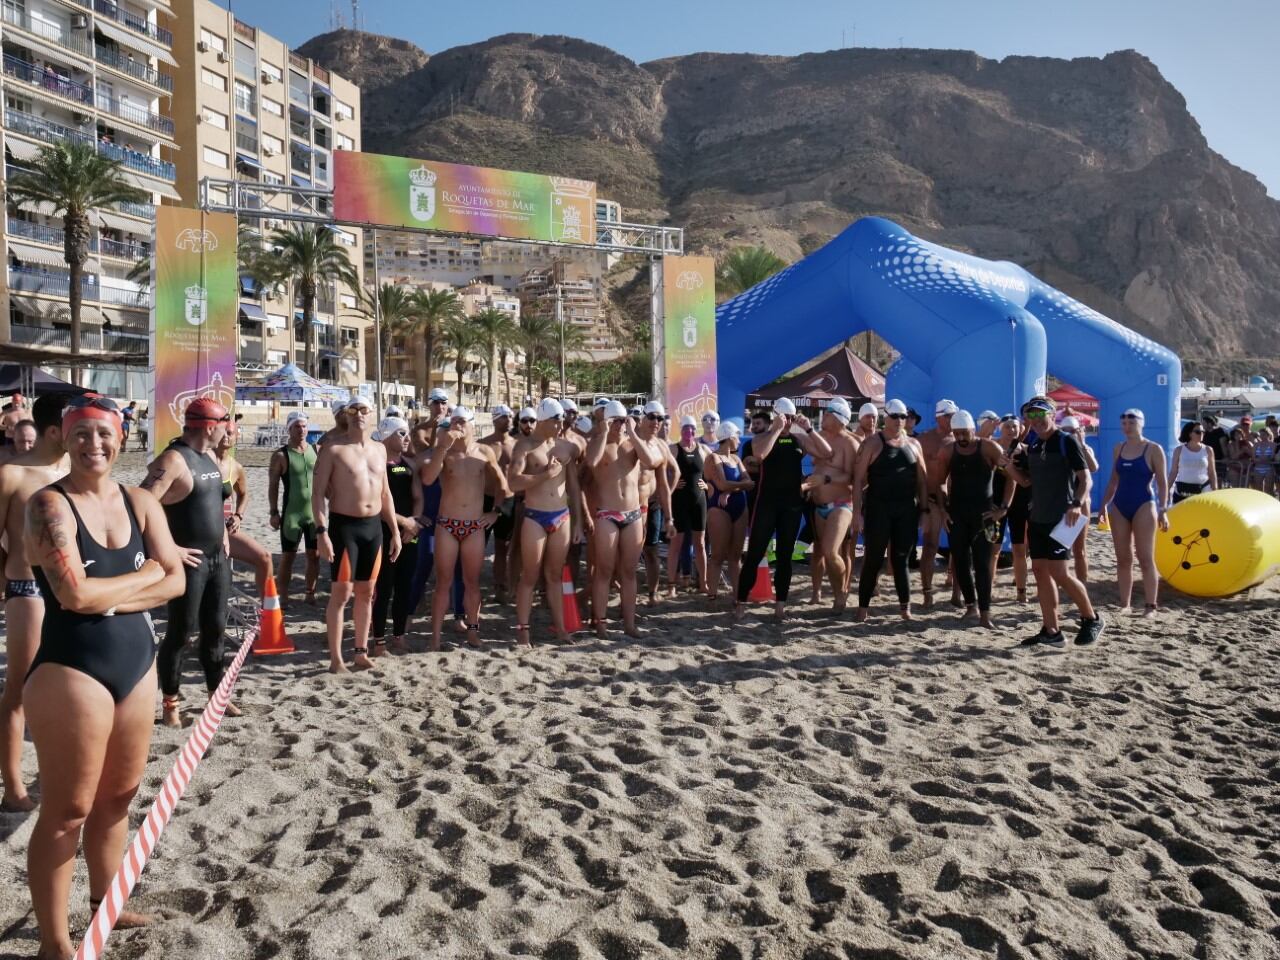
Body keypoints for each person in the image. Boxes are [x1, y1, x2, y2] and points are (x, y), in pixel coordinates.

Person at [23, 394, 184, 956]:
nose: (94, 443)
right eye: (82, 433)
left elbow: (176, 581)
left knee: (118, 798)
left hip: (136, 665)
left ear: (121, 438)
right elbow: (73, 596)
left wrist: (112, 597)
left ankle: (104, 906)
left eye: (104, 433)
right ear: (63, 439)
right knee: (67, 812)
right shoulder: (49, 505)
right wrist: (143, 577)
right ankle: (54, 942)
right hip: (71, 669)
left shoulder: (140, 502)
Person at [142, 398, 234, 728]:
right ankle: (171, 704)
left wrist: (224, 532)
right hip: (189, 563)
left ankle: (216, 696)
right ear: (209, 427)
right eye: (225, 421)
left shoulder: (209, 456)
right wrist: (169, 549)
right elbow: (140, 505)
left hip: (216, 560)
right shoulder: (174, 460)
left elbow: (213, 502)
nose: (228, 428)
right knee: (181, 633)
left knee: (216, 630)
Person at [0, 396, 69, 811]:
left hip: (73, 593)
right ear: (55, 429)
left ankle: (56, 775)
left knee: (65, 691)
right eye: (75, 423)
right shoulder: (12, 474)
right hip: (27, 589)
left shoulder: (74, 469)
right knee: (21, 690)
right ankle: (13, 788)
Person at [1005, 396, 1104, 648]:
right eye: (1031, 415)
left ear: (1052, 414)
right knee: (1040, 572)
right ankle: (1051, 631)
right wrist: (1009, 467)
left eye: (1041, 414)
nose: (1036, 419)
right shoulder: (1035, 444)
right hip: (1038, 517)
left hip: (1063, 517)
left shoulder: (1066, 440)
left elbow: (1087, 478)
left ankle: (1091, 618)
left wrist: (1076, 504)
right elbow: (1026, 481)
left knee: (1060, 572)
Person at [313, 397, 402, 673]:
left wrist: (395, 531)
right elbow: (317, 495)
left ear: (371, 413)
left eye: (363, 409)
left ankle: (360, 653)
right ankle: (336, 659)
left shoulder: (379, 449)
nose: (358, 414)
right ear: (345, 415)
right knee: (341, 594)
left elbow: (385, 494)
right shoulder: (333, 449)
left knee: (367, 592)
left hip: (373, 528)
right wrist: (321, 532)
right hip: (344, 527)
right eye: (352, 410)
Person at [734, 399, 832, 620]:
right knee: (755, 553)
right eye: (785, 417)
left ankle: (780, 606)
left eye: (791, 417)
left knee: (785, 556)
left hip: (791, 505)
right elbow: (760, 455)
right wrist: (776, 429)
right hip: (766, 504)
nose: (788, 421)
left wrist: (809, 428)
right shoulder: (760, 439)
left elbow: (827, 453)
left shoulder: (799, 439)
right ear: (776, 416)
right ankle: (741, 602)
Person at [419, 406, 507, 650]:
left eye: (462, 421)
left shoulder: (484, 451)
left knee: (472, 583)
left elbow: (503, 486)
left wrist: (496, 512)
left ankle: (473, 632)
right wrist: (442, 446)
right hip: (447, 524)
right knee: (443, 583)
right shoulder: (445, 452)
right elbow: (427, 478)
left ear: (472, 424)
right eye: (454, 421)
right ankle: (435, 637)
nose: (457, 426)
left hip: (474, 525)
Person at [507, 399, 584, 645]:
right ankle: (523, 631)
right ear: (543, 421)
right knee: (529, 576)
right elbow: (513, 482)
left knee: (554, 576)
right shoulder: (525, 447)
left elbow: (573, 486)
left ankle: (561, 629)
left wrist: (579, 522)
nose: (561, 425)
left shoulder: (565, 447)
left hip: (562, 516)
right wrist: (545, 475)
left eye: (562, 420)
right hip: (535, 516)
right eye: (556, 420)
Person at [584, 401, 664, 637]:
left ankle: (629, 624)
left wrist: (633, 432)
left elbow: (651, 461)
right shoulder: (599, 443)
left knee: (629, 572)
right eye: (615, 421)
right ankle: (601, 623)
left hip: (633, 513)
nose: (619, 425)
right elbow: (591, 462)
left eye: (622, 420)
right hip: (606, 514)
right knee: (604, 571)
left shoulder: (633, 444)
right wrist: (604, 432)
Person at [850, 399, 929, 621]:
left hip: (906, 509)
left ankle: (905, 609)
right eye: (895, 416)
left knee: (901, 559)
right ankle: (862, 609)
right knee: (873, 558)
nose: (899, 421)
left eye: (903, 417)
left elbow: (922, 481)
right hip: (879, 508)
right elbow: (858, 480)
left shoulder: (914, 444)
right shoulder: (872, 444)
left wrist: (924, 511)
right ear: (886, 417)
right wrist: (857, 513)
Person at [934, 410, 1004, 627]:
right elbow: (940, 482)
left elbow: (1010, 476)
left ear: (973, 430)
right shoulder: (947, 451)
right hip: (957, 515)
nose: (961, 438)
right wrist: (943, 510)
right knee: (961, 563)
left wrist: (1003, 508)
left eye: (965, 433)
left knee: (983, 563)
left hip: (984, 516)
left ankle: (985, 613)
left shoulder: (990, 448)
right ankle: (971, 607)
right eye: (957, 434)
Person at [1099, 408, 1168, 616]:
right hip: (1120, 505)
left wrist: (1163, 509)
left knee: (1145, 558)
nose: (1127, 426)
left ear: (1141, 423)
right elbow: (1113, 480)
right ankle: (1125, 604)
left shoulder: (1153, 449)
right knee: (1123, 558)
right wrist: (1103, 504)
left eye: (1132, 422)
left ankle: (1150, 606)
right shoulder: (1118, 448)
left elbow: (1163, 483)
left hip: (1144, 504)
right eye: (1124, 423)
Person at [802, 398, 859, 612]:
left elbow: (853, 478)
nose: (823, 416)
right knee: (821, 551)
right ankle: (833, 595)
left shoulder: (849, 443)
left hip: (841, 505)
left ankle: (842, 591)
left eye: (827, 414)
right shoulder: (820, 437)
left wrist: (826, 479)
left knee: (831, 552)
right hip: (819, 506)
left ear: (838, 419)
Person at [371, 417, 422, 655]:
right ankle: (379, 641)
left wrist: (414, 524)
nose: (407, 438)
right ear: (386, 436)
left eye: (408, 433)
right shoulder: (376, 465)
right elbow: (377, 503)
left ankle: (399, 636)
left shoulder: (408, 465)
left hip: (409, 534)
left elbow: (418, 497)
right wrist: (404, 523)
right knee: (383, 588)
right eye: (401, 433)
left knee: (405, 587)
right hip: (383, 532)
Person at [214, 420, 273, 595]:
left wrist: (238, 515)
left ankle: (267, 607)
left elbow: (244, 494)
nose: (226, 436)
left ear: (236, 437)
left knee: (265, 558)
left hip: (224, 529)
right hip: (200, 532)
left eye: (230, 433)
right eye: (223, 432)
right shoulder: (201, 460)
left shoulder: (236, 467)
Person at [268, 411, 319, 607]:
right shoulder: (281, 455)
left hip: (313, 514)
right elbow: (273, 485)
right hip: (292, 514)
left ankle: (310, 593)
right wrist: (274, 512)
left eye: (304, 426)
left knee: (314, 555)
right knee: (288, 557)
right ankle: (283, 596)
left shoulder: (316, 450)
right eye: (297, 426)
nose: (301, 430)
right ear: (289, 429)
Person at [704, 421, 752, 605]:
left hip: (739, 507)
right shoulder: (713, 458)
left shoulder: (736, 459)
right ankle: (712, 595)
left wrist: (730, 490)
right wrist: (734, 487)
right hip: (719, 509)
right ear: (730, 437)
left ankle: (738, 596)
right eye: (737, 436)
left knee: (735, 556)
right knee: (717, 555)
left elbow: (750, 483)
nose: (739, 440)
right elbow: (723, 484)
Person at [916, 399, 956, 605]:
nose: (952, 419)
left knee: (959, 548)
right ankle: (927, 592)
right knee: (930, 546)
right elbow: (917, 474)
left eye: (954, 415)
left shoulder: (961, 438)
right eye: (948, 415)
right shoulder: (924, 440)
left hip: (955, 500)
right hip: (931, 499)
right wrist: (921, 503)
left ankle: (957, 594)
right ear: (938, 417)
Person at [990, 414, 1032, 602]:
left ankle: (1021, 592)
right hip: (996, 505)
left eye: (1014, 426)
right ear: (1000, 428)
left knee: (1019, 549)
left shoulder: (1027, 451)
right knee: (994, 550)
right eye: (1007, 426)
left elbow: (1028, 481)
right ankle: (987, 590)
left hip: (1020, 506)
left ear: (1020, 429)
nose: (1011, 430)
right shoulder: (992, 448)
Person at [666, 415, 709, 597]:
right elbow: (660, 471)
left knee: (700, 543)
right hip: (679, 501)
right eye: (685, 428)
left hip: (699, 501)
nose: (688, 432)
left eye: (691, 428)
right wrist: (672, 483)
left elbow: (715, 469)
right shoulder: (673, 449)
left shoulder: (703, 449)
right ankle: (671, 586)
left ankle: (703, 583)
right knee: (676, 544)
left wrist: (708, 485)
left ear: (695, 430)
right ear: (681, 430)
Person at [637, 401, 675, 603]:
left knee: (652, 551)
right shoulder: (631, 442)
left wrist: (669, 518)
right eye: (652, 417)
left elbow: (664, 484)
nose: (656, 422)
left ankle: (652, 593)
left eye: (660, 418)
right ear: (643, 418)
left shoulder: (661, 446)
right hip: (631, 507)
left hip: (653, 505)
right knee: (628, 555)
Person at [480, 404, 518, 602]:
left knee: (503, 546)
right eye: (504, 416)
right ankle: (471, 584)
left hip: (509, 501)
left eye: (510, 416)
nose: (508, 419)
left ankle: (500, 585)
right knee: (477, 546)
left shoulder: (517, 444)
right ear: (494, 420)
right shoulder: (483, 444)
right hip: (486, 499)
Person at [1058, 416, 1100, 583]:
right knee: (1061, 547)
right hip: (1062, 501)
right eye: (1065, 431)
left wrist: (1081, 444)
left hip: (1081, 502)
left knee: (1079, 549)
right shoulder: (1059, 448)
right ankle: (1063, 581)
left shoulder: (1085, 448)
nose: (1069, 434)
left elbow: (1094, 468)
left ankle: (1082, 584)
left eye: (1073, 431)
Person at [1168, 421, 1218, 503]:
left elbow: (1212, 472)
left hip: (1203, 492)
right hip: (1182, 492)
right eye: (1198, 432)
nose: (1201, 434)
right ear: (1190, 434)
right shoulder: (1179, 450)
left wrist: (1215, 489)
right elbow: (1173, 472)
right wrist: (1167, 489)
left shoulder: (1208, 450)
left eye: (1203, 432)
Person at [1201, 413, 1232, 488]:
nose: (1202, 425)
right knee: (1207, 481)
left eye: (1204, 423)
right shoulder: (1204, 434)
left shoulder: (1220, 431)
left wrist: (1226, 456)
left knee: (1218, 480)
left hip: (1219, 460)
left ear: (1209, 423)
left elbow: (1223, 445)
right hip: (1208, 461)